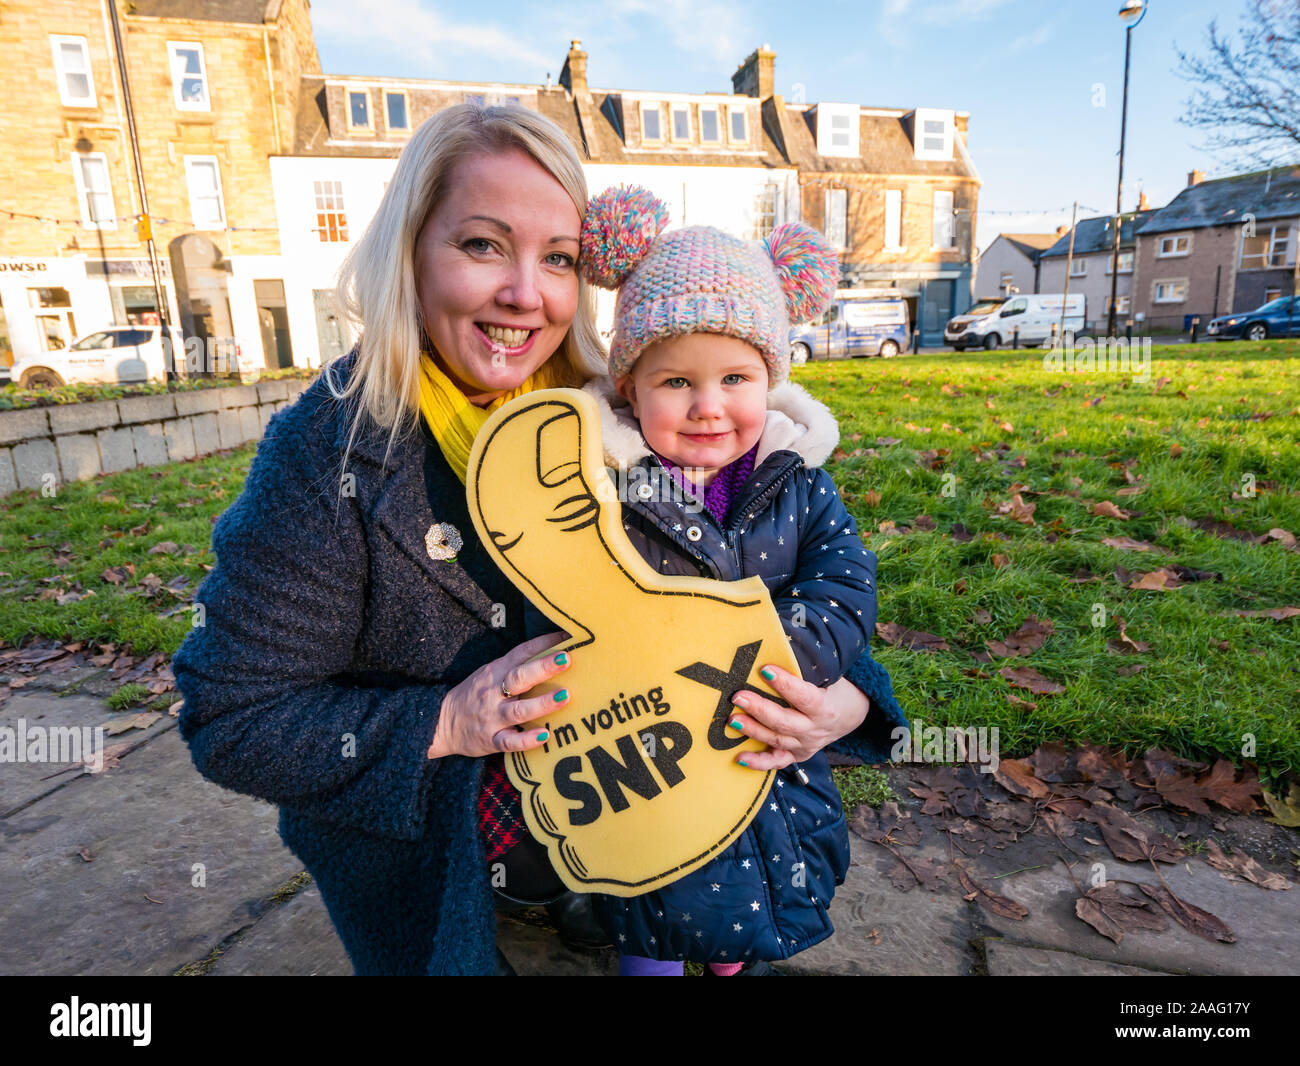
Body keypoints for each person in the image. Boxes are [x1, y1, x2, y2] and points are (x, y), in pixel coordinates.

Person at [171, 104, 905, 977]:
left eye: (558, 258)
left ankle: (609, 904)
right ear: (410, 250)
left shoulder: (620, 416)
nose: (527, 293)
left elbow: (744, 574)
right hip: (446, 837)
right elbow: (233, 717)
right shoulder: (330, 451)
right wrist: (447, 721)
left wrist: (846, 704)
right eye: (482, 245)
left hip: (650, 803)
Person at [558, 185, 882, 974]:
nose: (709, 407)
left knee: (755, 888)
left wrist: (793, 655)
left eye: (736, 379)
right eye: (676, 382)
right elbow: (575, 595)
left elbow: (844, 581)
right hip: (652, 748)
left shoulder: (798, 483)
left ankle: (738, 953)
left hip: (763, 730)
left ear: (768, 379)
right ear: (629, 386)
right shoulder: (607, 488)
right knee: (651, 897)